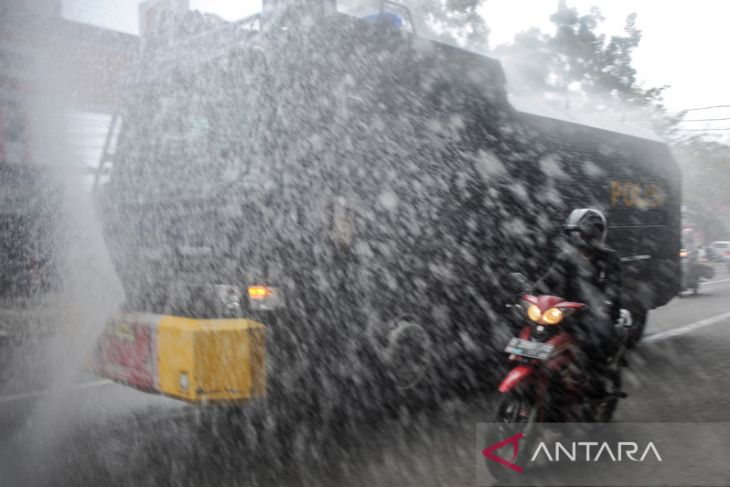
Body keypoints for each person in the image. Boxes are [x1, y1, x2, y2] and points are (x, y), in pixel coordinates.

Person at [533, 208, 622, 393]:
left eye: (581, 234)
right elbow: (548, 279)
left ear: (594, 234)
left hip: (598, 316)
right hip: (568, 312)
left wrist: (605, 304)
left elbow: (614, 287)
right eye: (574, 234)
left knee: (592, 345)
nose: (577, 239)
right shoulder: (567, 257)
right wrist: (529, 295)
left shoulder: (609, 258)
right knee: (536, 333)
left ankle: (596, 385)